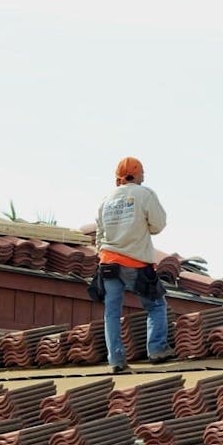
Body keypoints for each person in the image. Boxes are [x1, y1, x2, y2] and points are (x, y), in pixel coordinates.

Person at [95, 156, 171, 374]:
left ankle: (116, 360)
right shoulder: (144, 194)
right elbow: (158, 225)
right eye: (143, 173)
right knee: (155, 305)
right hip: (136, 262)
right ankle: (157, 350)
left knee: (111, 313)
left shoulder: (106, 200)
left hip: (108, 262)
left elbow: (99, 236)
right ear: (137, 175)